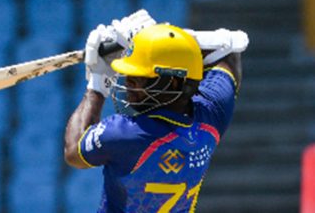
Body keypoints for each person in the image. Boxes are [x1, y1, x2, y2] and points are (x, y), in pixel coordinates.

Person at [64, 13, 243, 212]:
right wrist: (167, 42)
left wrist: (97, 82)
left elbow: (73, 152)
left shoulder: (127, 134)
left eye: (139, 77)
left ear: (173, 82)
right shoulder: (212, 116)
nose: (128, 84)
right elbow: (229, 54)